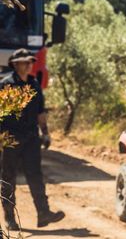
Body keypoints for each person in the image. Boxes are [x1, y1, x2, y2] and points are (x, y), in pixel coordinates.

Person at [0, 49, 65, 229]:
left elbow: (40, 112)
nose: (29, 65)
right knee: (8, 178)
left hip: (30, 139)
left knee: (35, 176)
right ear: (15, 64)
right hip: (10, 138)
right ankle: (10, 218)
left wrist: (45, 132)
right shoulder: (6, 85)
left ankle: (43, 214)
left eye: (30, 62)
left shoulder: (34, 84)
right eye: (25, 62)